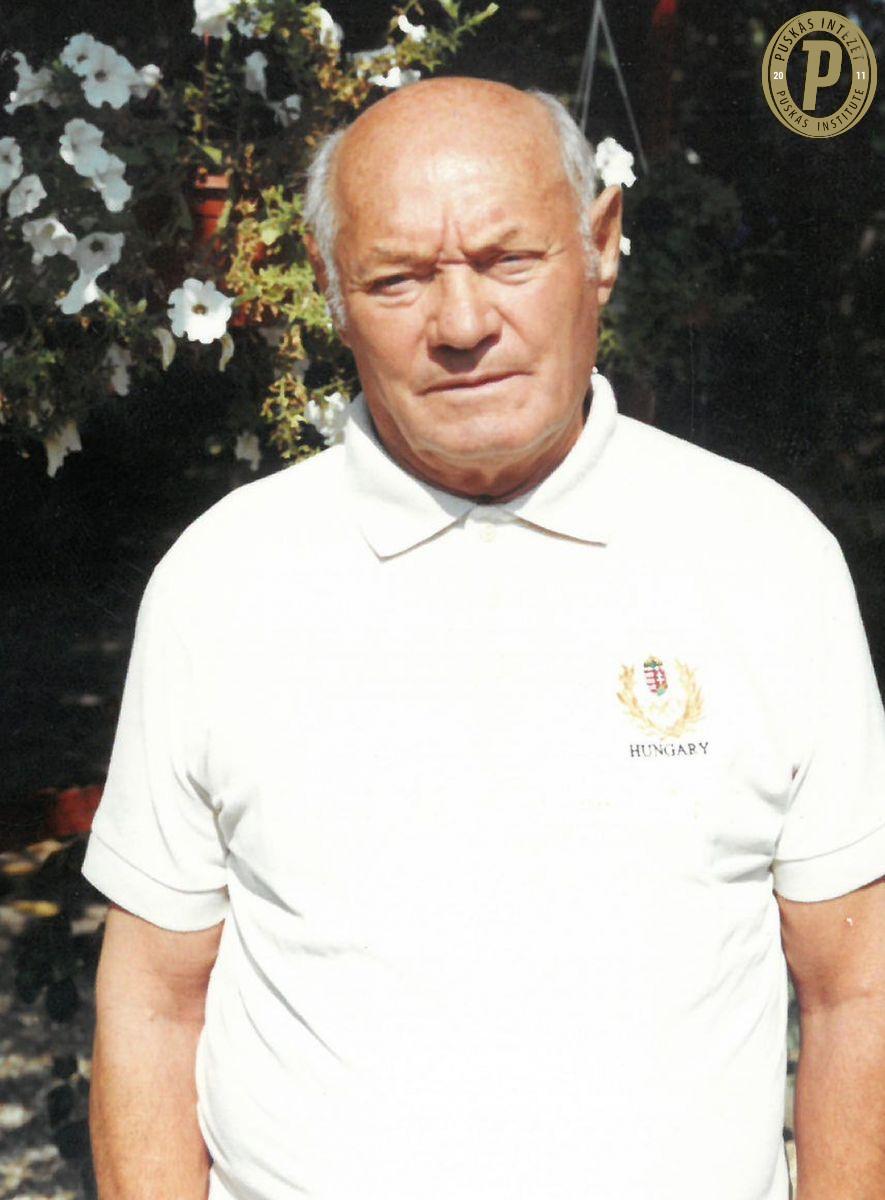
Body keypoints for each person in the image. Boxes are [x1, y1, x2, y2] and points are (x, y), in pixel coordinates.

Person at [83, 78, 885, 1200]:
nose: (461, 326)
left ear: (602, 244)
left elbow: (857, 988)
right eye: (398, 279)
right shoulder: (221, 584)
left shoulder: (765, 560)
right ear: (330, 288)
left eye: (509, 260)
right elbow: (151, 1004)